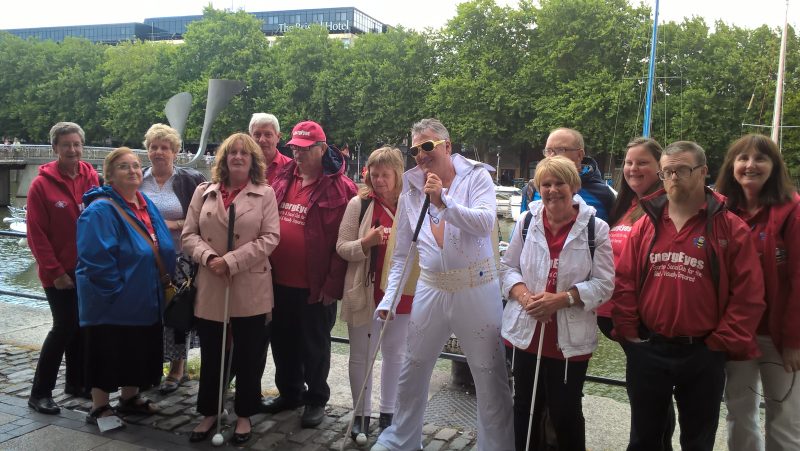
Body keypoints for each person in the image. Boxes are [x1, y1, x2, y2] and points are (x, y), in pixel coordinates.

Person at [612, 140, 766, 451]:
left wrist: (720, 342)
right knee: (644, 438)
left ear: (703, 172)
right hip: (649, 348)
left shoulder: (729, 228)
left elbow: (748, 296)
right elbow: (625, 281)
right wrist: (629, 332)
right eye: (666, 172)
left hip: (703, 351)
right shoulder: (646, 224)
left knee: (698, 439)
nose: (673, 178)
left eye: (682, 170)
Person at [371, 118, 514, 451]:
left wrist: (443, 202)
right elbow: (404, 253)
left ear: (447, 146)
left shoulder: (478, 176)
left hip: (476, 287)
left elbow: (484, 222)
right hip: (431, 288)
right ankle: (401, 439)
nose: (421, 155)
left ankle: (497, 446)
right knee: (413, 366)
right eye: (415, 149)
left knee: (489, 372)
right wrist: (389, 298)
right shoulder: (410, 190)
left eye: (428, 146)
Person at [501, 156, 614, 451]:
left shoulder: (595, 228)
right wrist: (525, 297)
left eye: (559, 183)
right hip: (525, 334)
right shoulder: (527, 221)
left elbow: (604, 284)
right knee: (524, 407)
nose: (552, 190)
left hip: (569, 340)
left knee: (566, 412)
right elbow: (507, 268)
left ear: (574, 185)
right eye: (545, 184)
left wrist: (562, 299)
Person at [181, 133, 280, 445]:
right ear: (223, 159)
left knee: (250, 354)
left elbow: (270, 238)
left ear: (252, 161)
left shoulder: (265, 194)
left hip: (250, 285)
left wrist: (232, 261)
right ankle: (210, 411)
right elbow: (188, 235)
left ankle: (244, 414)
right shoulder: (203, 192)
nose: (237, 157)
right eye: (232, 152)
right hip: (212, 284)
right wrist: (210, 258)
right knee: (212, 353)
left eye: (244, 153)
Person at [260, 121, 357, 428]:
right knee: (283, 341)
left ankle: (316, 399)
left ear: (321, 149)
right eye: (293, 149)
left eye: (303, 150)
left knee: (315, 345)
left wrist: (332, 285)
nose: (297, 155)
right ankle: (290, 393)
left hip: (316, 285)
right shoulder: (283, 178)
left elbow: (343, 243)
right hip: (278, 281)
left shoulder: (343, 189)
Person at [76, 147, 175, 425]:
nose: (132, 170)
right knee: (108, 351)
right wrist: (116, 292)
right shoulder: (100, 210)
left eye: (135, 165)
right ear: (109, 176)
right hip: (114, 302)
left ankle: (130, 398)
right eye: (123, 166)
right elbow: (96, 258)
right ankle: (99, 406)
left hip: (144, 296)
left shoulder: (143, 203)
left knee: (136, 351)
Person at [714, 134, 800, 451]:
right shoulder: (721, 211)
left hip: (778, 337)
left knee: (785, 418)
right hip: (737, 333)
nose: (750, 165)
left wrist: (794, 341)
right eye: (743, 158)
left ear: (774, 166)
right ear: (732, 166)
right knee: (738, 413)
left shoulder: (792, 211)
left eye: (760, 159)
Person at [336, 147, 411, 441]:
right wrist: (365, 243)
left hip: (402, 293)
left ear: (397, 175)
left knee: (395, 354)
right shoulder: (360, 205)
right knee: (360, 356)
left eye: (385, 174)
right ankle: (361, 415)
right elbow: (342, 247)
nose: (379, 180)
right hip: (366, 291)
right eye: (374, 174)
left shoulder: (410, 204)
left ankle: (388, 414)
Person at [26, 122, 99, 414]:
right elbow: (36, 235)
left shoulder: (90, 175)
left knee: (82, 327)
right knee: (64, 327)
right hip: (58, 273)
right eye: (66, 145)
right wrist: (55, 272)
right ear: (55, 148)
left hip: (86, 270)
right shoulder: (40, 185)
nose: (72, 150)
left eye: (76, 144)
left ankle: (77, 384)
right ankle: (40, 392)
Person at [139, 123, 206, 395]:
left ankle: (177, 368)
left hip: (180, 260)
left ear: (175, 152)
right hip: (145, 260)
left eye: (164, 147)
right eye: (153, 147)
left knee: (178, 313)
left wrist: (172, 224)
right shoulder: (139, 178)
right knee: (149, 314)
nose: (158, 152)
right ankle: (149, 364)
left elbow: (203, 216)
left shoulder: (190, 180)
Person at [597, 137, 663, 338]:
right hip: (609, 310)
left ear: (661, 167)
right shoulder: (624, 206)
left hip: (638, 317)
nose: (633, 168)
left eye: (642, 163)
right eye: (629, 162)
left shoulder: (663, 210)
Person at [520, 128, 615, 221]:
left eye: (561, 150)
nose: (552, 156)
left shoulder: (603, 194)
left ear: (579, 155)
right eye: (548, 151)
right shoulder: (531, 189)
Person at [249, 112, 291, 184]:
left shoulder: (291, 167)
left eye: (268, 134)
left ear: (278, 137)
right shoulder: (243, 166)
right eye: (257, 135)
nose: (262, 140)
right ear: (250, 137)